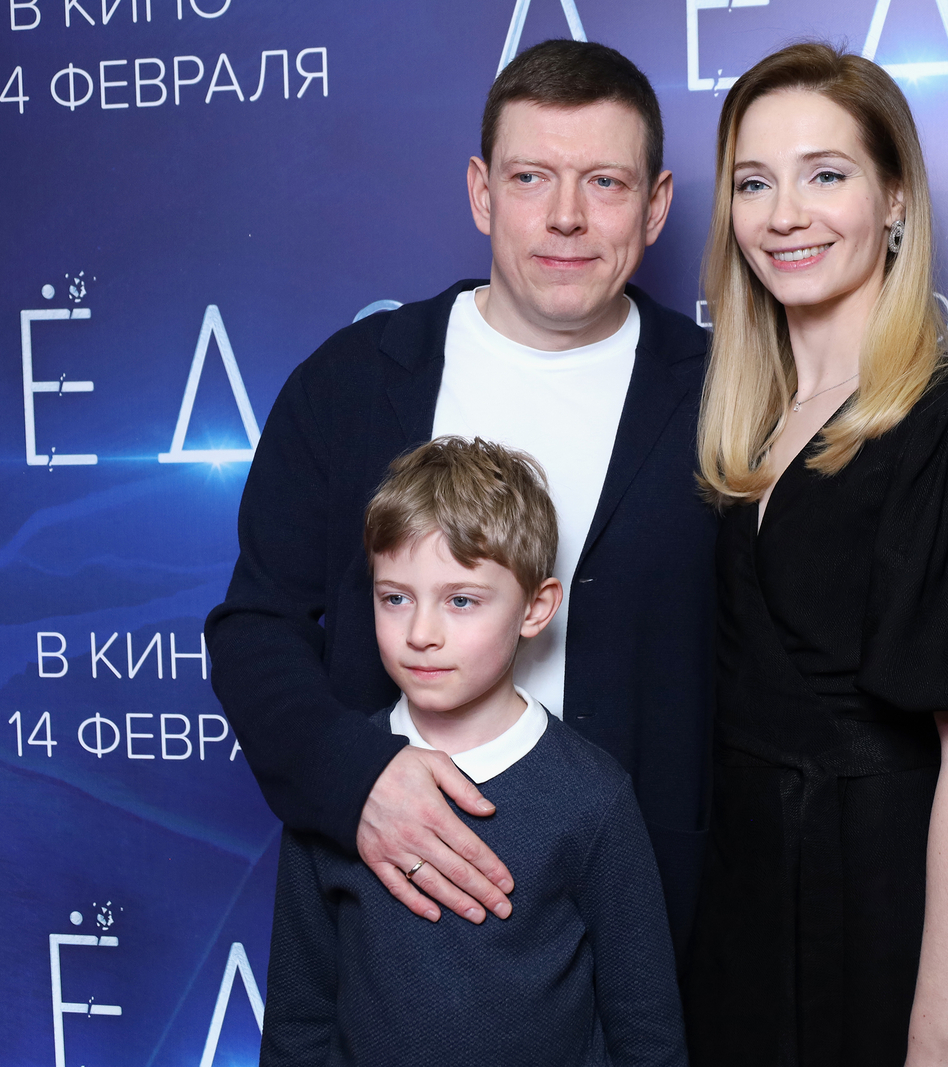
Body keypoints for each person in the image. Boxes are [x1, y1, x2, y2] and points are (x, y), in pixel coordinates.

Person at [204, 40, 716, 954]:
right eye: (531, 178)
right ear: (482, 192)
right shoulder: (354, 381)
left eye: (604, 182)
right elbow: (255, 626)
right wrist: (357, 779)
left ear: (656, 205)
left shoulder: (729, 393)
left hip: (654, 929)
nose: (566, 217)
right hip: (392, 912)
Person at [681, 44, 948, 1067]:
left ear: (897, 200)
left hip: (888, 925)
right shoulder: (747, 425)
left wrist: (940, 1040)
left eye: (825, 174)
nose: (785, 215)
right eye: (754, 183)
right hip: (742, 930)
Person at [260, 437, 686, 1067]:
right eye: (395, 597)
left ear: (536, 609)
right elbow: (298, 1018)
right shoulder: (335, 781)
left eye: (460, 600)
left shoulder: (593, 797)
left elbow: (646, 1033)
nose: (420, 633)